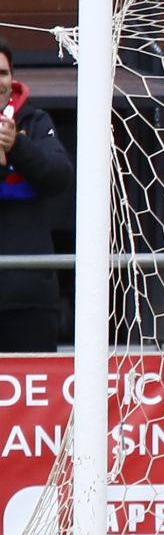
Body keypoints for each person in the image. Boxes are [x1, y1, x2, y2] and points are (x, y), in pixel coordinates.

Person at [0, 40, 74, 353]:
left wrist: (17, 145)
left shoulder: (36, 121)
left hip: (31, 300)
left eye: (2, 73)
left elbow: (59, 177)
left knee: (32, 400)